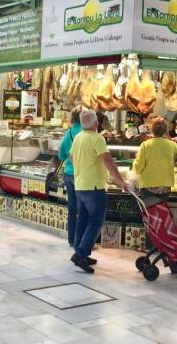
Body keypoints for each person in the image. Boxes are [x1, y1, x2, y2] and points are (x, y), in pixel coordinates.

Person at [69, 109, 128, 274]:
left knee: (83, 221)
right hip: (95, 187)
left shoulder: (78, 137)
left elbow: (72, 157)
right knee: (95, 222)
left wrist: (83, 169)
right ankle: (80, 254)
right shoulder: (97, 138)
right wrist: (119, 180)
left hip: (80, 185)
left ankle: (81, 251)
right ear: (96, 123)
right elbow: (107, 159)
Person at [132, 117, 177, 198]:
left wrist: (134, 173)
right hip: (165, 184)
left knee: (148, 210)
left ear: (152, 129)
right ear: (166, 130)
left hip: (147, 184)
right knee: (162, 209)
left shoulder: (145, 144)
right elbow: (175, 161)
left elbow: (139, 165)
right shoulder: (173, 145)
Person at [58, 107, 82, 247]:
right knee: (83, 208)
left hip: (68, 173)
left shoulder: (69, 133)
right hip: (81, 174)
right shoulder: (85, 132)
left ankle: (71, 239)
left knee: (72, 207)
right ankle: (80, 239)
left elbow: (60, 155)